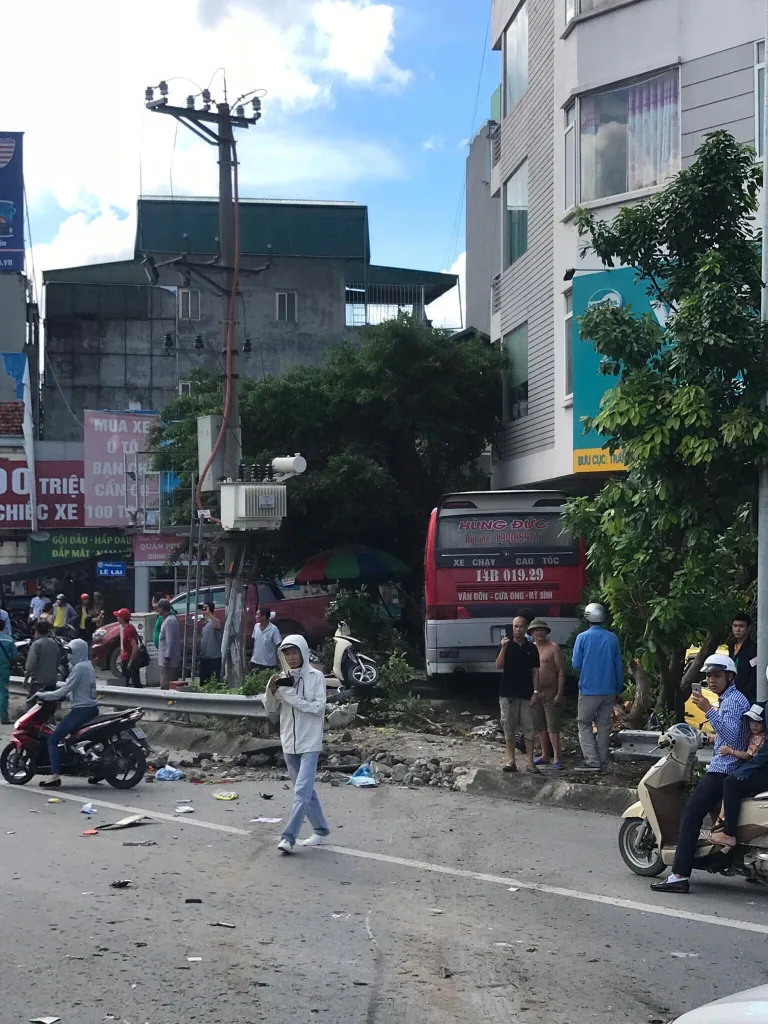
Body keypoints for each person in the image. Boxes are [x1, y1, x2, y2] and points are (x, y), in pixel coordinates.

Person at [651, 653, 750, 894]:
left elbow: (735, 738)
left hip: (723, 769)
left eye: (716, 676)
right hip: (728, 765)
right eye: (708, 676)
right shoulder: (730, 699)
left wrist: (708, 711)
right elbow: (733, 733)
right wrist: (708, 737)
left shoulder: (733, 701)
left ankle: (679, 875)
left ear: (729, 676)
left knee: (691, 814)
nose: (711, 680)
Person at [263, 635, 329, 854]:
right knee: (306, 791)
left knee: (301, 790)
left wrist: (290, 697)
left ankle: (288, 837)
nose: (291, 658)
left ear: (303, 652)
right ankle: (320, 829)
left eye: (294, 652)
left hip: (310, 741)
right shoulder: (281, 678)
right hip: (289, 742)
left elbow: (318, 708)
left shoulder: (316, 677)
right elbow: (271, 708)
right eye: (287, 653)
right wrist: (272, 690)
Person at [37, 638, 99, 788]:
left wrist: (44, 695)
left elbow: (65, 689)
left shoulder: (79, 668)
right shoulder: (87, 665)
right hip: (91, 708)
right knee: (79, 741)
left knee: (53, 739)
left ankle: (55, 775)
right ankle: (97, 771)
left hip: (81, 711)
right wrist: (64, 697)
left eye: (70, 652)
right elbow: (76, 690)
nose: (69, 655)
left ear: (78, 652)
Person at [571, 603, 624, 771]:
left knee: (584, 723)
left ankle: (592, 761)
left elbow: (575, 664)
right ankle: (603, 760)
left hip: (588, 690)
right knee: (603, 725)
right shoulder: (612, 638)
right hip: (609, 690)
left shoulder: (582, 637)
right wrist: (618, 689)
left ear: (587, 618)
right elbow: (618, 666)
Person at [711, 704, 768, 848]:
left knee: (731, 783)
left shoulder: (760, 738)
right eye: (752, 722)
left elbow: (757, 757)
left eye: (759, 722)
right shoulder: (753, 735)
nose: (754, 725)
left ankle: (729, 833)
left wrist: (743, 771)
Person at [495, 614, 540, 775]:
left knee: (529, 728)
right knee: (509, 727)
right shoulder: (506, 645)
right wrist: (503, 649)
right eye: (515, 626)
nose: (518, 629)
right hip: (508, 693)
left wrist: (535, 692)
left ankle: (530, 762)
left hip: (526, 693)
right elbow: (498, 666)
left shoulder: (531, 648)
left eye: (521, 626)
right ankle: (511, 760)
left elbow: (535, 671)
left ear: (526, 628)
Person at [528, 618, 566, 769]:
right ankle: (544, 755)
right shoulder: (530, 648)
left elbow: (561, 672)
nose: (539, 632)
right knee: (539, 726)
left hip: (551, 691)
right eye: (536, 630)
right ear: (531, 633)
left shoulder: (553, 647)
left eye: (542, 630)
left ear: (546, 632)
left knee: (552, 726)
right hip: (535, 692)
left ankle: (556, 757)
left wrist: (560, 693)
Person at [23, 619, 60, 696]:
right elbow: (57, 662)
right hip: (51, 681)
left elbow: (30, 665)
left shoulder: (36, 644)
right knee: (48, 705)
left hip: (38, 681)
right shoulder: (54, 643)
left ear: (37, 631)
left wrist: (25, 680)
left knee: (33, 705)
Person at [727, 611, 757, 703]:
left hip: (747, 697)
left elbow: (755, 676)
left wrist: (744, 695)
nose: (737, 629)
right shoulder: (731, 646)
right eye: (735, 626)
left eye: (741, 626)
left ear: (748, 628)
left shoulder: (753, 649)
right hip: (730, 694)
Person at [157, 598, 181, 690]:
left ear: (162, 608)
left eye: (158, 608)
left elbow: (169, 641)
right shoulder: (169, 619)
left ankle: (166, 703)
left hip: (168, 662)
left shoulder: (169, 621)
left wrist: (167, 657)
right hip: (168, 660)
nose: (157, 610)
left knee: (166, 685)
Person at [116, 608, 142, 688]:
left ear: (121, 618)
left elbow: (135, 647)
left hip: (129, 659)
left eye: (118, 616)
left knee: (133, 682)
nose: (117, 618)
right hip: (127, 658)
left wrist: (130, 662)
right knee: (129, 682)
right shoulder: (128, 628)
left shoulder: (128, 630)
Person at [199, 602, 222, 686]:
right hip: (204, 658)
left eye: (204, 608)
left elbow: (217, 625)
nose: (202, 610)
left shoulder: (214, 621)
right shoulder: (205, 623)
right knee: (203, 683)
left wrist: (209, 613)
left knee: (214, 684)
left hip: (214, 659)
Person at [0, 623, 15, 724]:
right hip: (4, 669)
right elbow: (14, 657)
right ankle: (4, 717)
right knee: (3, 693)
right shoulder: (9, 640)